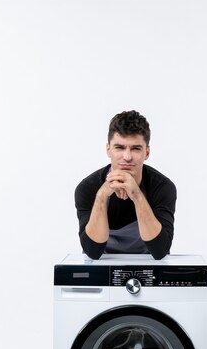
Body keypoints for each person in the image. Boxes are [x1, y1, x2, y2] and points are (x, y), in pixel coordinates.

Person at [75, 110, 177, 260]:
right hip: (103, 267)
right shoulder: (88, 188)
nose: (127, 157)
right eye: (120, 148)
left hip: (148, 267)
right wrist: (102, 196)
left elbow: (160, 250)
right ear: (108, 149)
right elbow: (92, 252)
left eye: (136, 148)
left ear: (147, 153)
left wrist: (136, 195)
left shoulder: (162, 187)